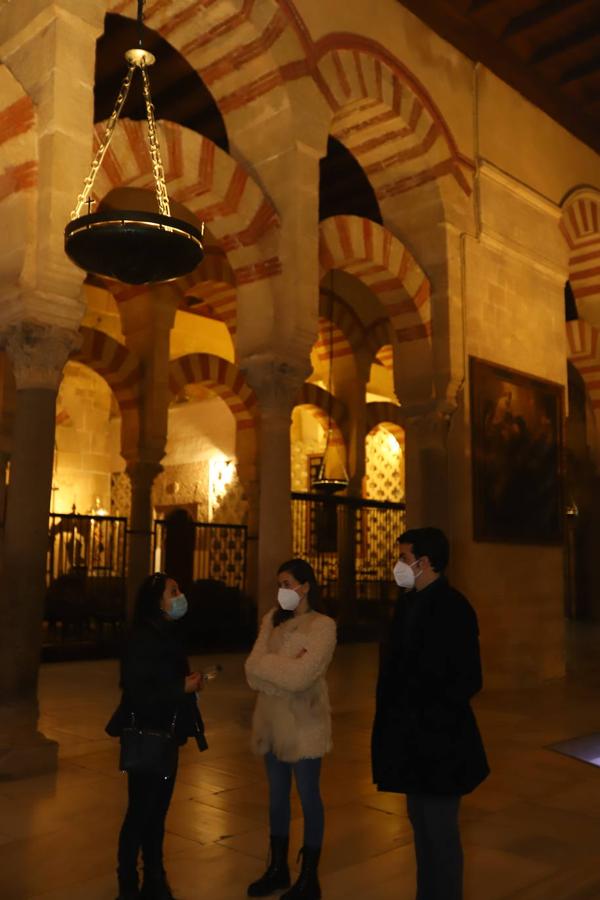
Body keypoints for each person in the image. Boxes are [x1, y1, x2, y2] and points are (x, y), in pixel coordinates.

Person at [371, 528, 489, 900]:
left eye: (404, 559)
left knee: (440, 833)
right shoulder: (407, 604)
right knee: (420, 829)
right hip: (410, 741)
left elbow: (469, 678)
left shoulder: (454, 607)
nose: (398, 566)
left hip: (440, 742)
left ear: (424, 563)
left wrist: (425, 700)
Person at [106, 573, 208, 900]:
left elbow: (169, 679)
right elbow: (138, 691)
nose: (180, 596)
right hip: (146, 736)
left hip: (167, 735)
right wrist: (181, 687)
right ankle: (128, 882)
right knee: (140, 811)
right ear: (157, 601)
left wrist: (188, 684)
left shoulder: (168, 634)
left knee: (158, 810)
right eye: (173, 591)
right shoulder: (141, 638)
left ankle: (154, 875)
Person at [244, 558, 337, 900]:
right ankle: (278, 867)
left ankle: (309, 876)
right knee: (276, 796)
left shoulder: (322, 626)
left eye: (287, 584)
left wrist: (272, 669)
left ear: (305, 586)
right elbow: (251, 670)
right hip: (270, 721)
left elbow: (302, 677)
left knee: (308, 795)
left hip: (304, 723)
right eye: (279, 585)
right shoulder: (272, 619)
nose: (282, 591)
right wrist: (279, 667)